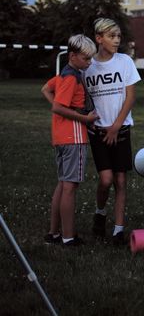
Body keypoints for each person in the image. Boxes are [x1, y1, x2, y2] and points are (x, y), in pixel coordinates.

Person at [85, 18, 141, 245]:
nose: (117, 40)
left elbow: (131, 97)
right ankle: (100, 212)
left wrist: (117, 125)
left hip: (121, 128)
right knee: (105, 179)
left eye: (118, 36)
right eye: (111, 36)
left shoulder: (125, 61)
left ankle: (118, 230)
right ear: (99, 38)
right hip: (99, 131)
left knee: (120, 180)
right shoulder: (88, 67)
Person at [41, 34, 98, 247]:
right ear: (73, 56)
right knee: (70, 187)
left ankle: (54, 233)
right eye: (86, 59)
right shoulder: (72, 77)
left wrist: (63, 105)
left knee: (63, 184)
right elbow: (58, 107)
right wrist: (84, 118)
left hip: (61, 136)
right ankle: (68, 237)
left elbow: (46, 89)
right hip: (73, 137)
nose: (89, 62)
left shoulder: (64, 74)